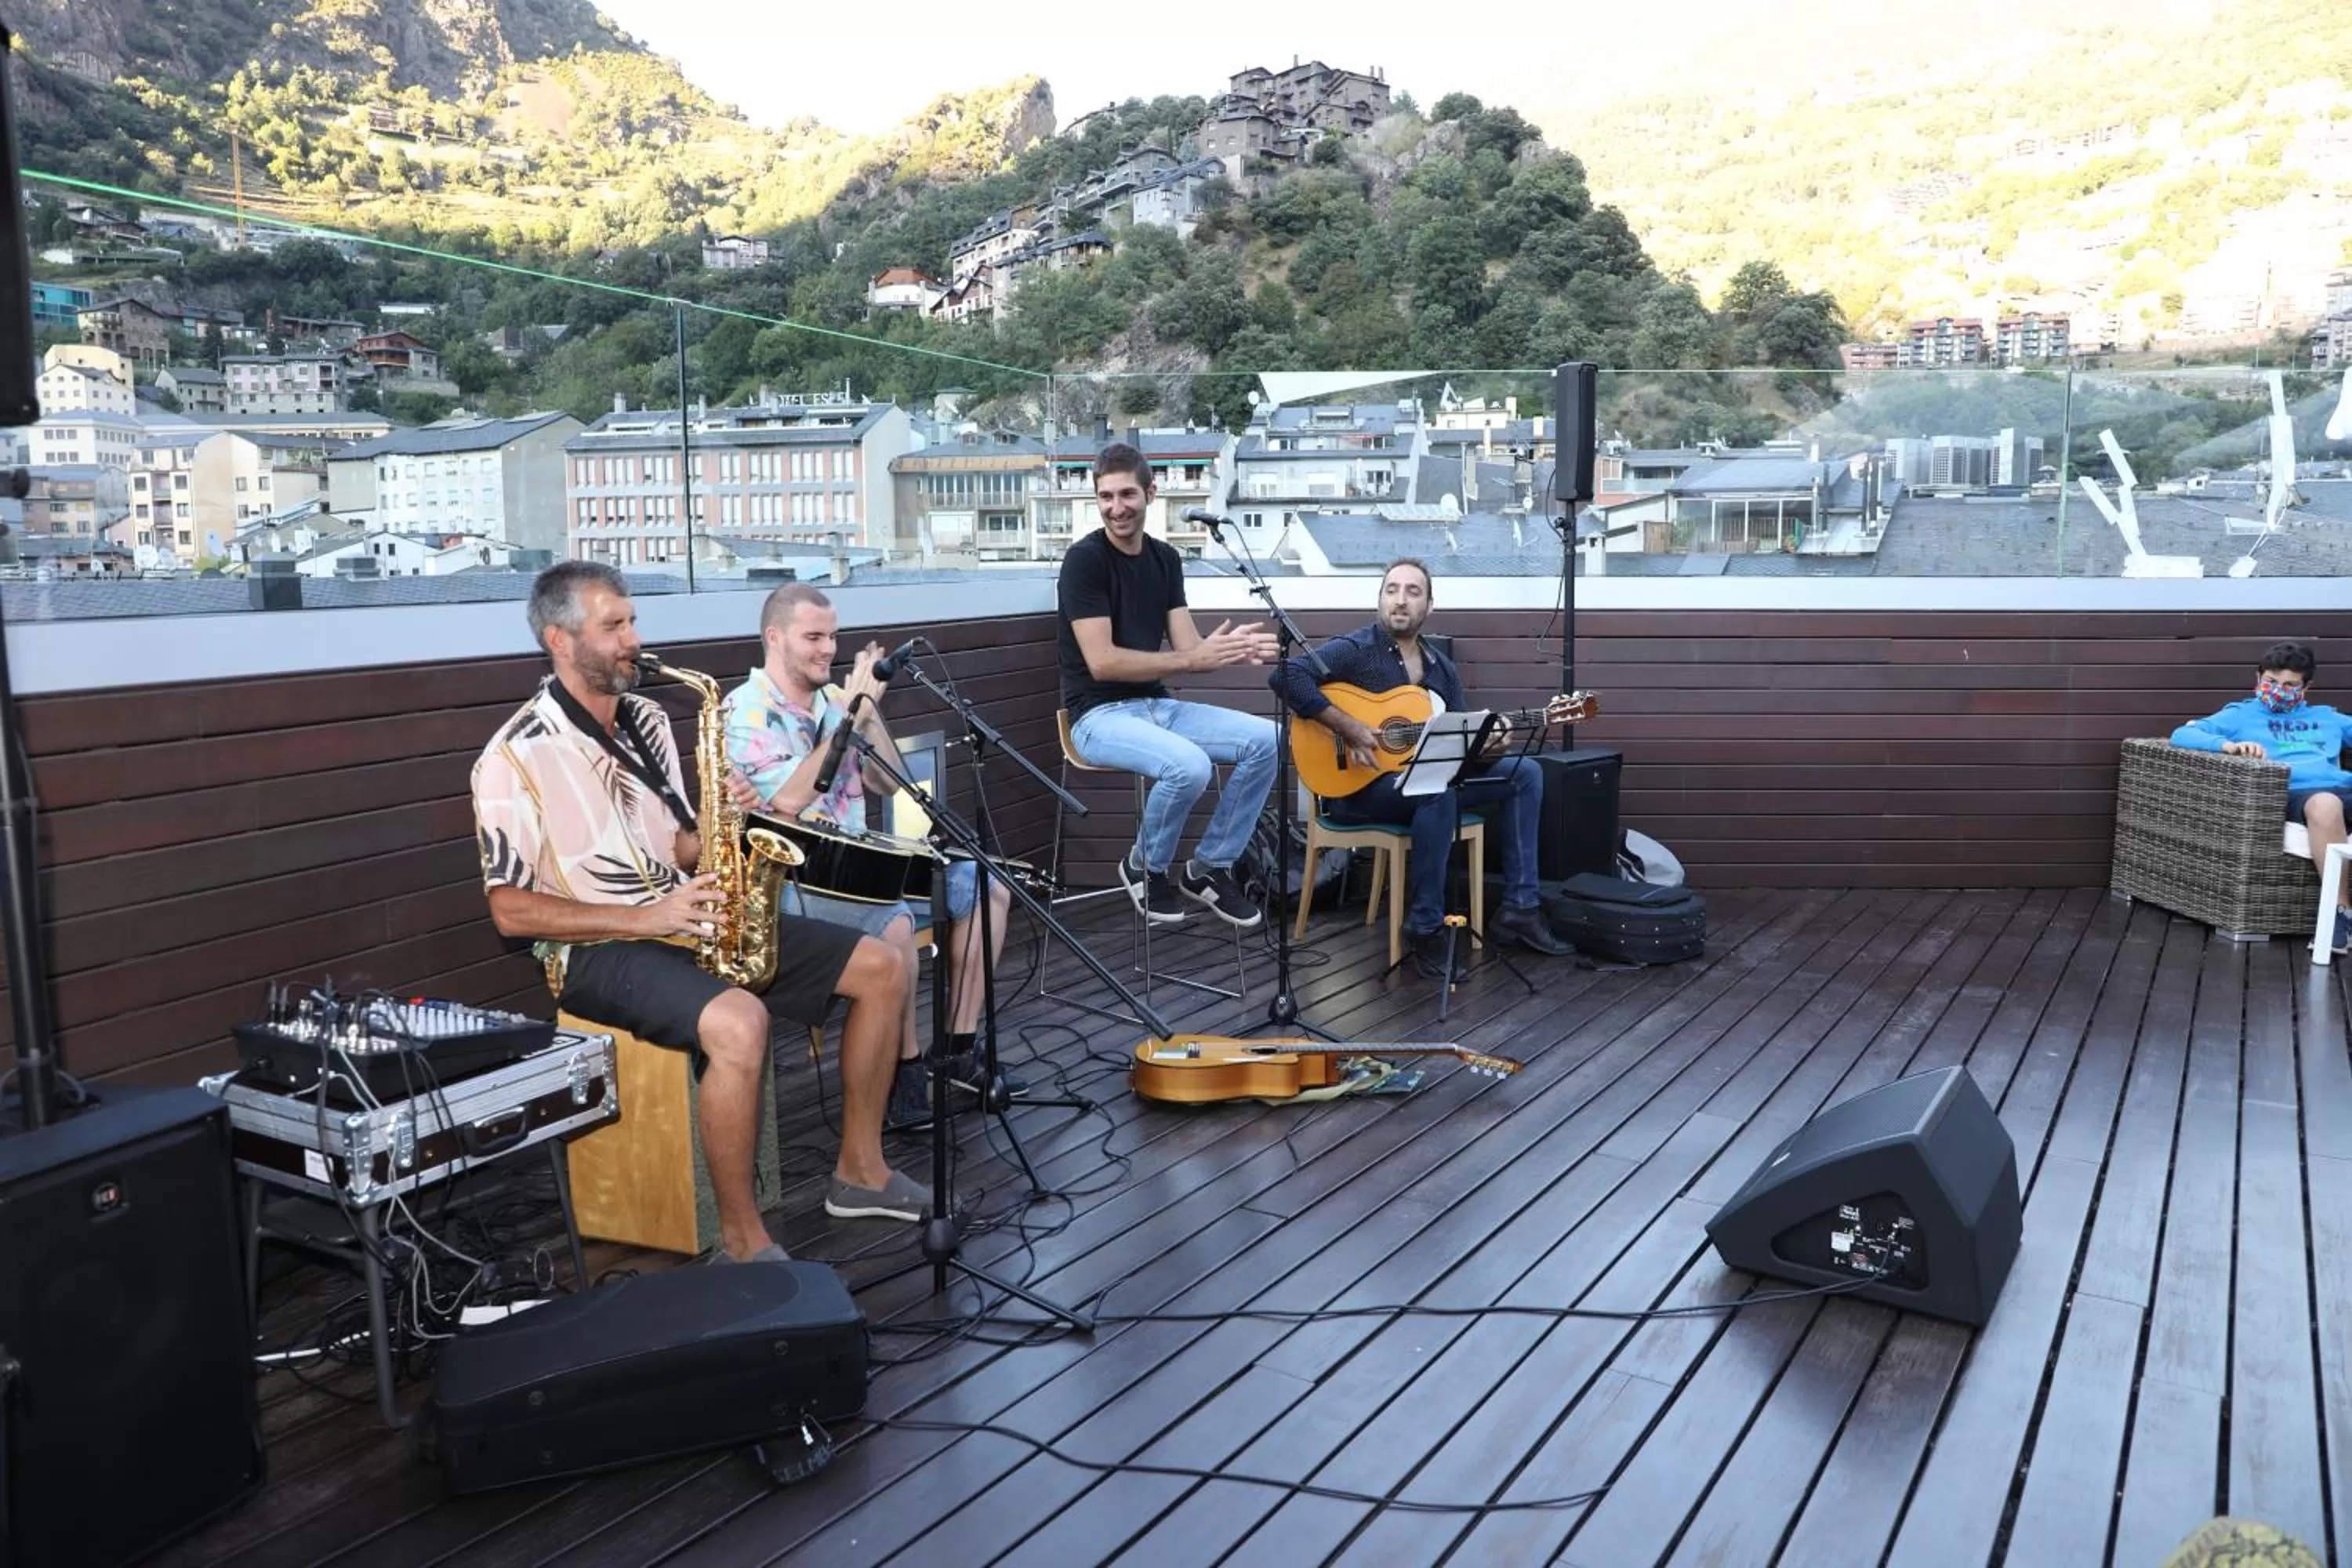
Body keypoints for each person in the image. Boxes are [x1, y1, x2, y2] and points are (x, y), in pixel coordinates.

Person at [470, 561, 930, 1261]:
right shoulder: (515, 754)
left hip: (682, 915)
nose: (633, 639)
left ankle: (860, 1171)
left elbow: (680, 846)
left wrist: (726, 821)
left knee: (883, 966)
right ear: (559, 641)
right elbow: (509, 910)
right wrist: (647, 919)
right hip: (596, 948)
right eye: (614, 626)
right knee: (740, 1022)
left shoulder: (649, 720)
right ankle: (741, 1240)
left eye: (632, 621)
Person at [724, 581, 1015, 1131]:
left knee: (985, 885)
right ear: (774, 638)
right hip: (794, 883)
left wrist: (866, 712)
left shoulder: (834, 701)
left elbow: (889, 783)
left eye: (833, 637)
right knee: (894, 920)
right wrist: (850, 713)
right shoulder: (747, 713)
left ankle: (957, 1050)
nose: (827, 650)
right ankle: (904, 1076)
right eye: (813, 637)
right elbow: (788, 800)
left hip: (860, 868)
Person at [1271, 557, 1574, 978]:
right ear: (1380, 600)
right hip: (1357, 790)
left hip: (1420, 783)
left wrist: (1489, 747)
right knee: (1435, 789)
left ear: (1429, 606)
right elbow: (1286, 676)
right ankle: (1425, 925)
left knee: (1525, 774)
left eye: (1413, 592)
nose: (1400, 600)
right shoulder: (1357, 650)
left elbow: (1461, 747)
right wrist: (1348, 727)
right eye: (1392, 590)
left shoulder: (1441, 669)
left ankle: (1521, 909)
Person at [1058, 441, 1279, 927]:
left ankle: (1209, 867)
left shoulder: (1164, 559)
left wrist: (1230, 650)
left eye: (1127, 495)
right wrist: (1191, 658)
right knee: (1190, 767)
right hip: (1096, 718)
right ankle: (1146, 866)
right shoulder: (1084, 561)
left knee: (1269, 740)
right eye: (1106, 497)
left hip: (1157, 706)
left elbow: (1187, 649)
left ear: (1151, 494)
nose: (1116, 508)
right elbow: (1102, 663)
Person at [2172, 638, 2352, 950]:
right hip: (2295, 792)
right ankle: (2340, 914)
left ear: (2305, 688)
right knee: (2325, 805)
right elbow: (2182, 734)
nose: (2279, 690)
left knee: (2332, 799)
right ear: (2258, 678)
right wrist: (2229, 746)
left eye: (2290, 685)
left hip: (2342, 787)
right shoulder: (2240, 715)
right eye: (2271, 682)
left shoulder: (2327, 718)